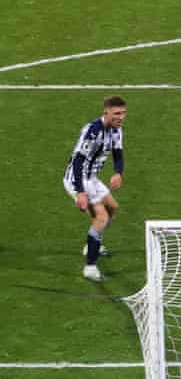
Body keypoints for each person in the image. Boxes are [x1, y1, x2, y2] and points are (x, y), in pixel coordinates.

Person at [63, 96, 127, 282]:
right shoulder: (92, 131)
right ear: (106, 112)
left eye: (123, 113)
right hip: (77, 179)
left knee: (113, 208)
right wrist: (80, 192)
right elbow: (78, 161)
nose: (121, 117)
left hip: (92, 178)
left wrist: (118, 173)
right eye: (117, 113)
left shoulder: (116, 129)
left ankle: (93, 244)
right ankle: (90, 267)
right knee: (101, 217)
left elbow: (118, 154)